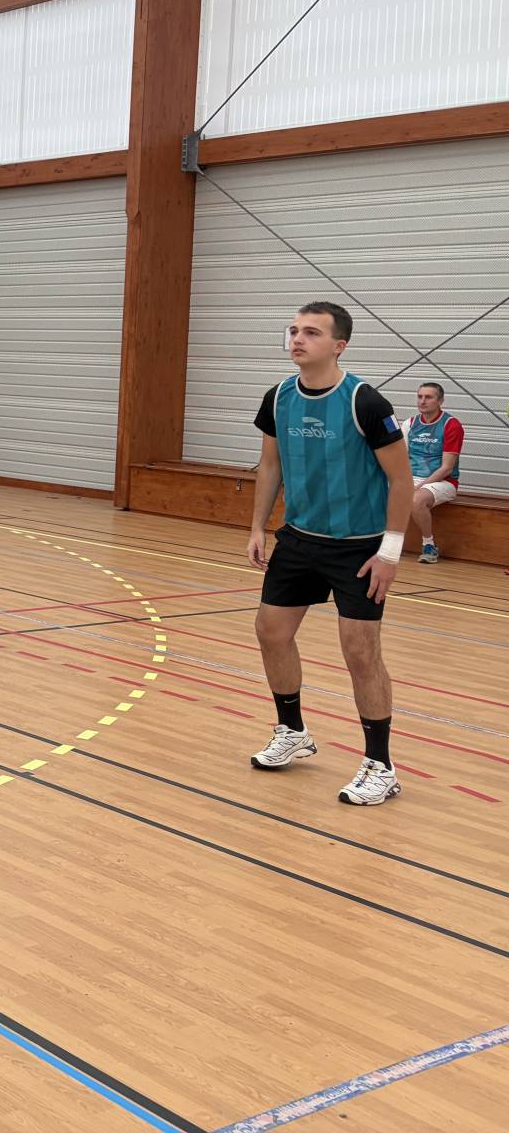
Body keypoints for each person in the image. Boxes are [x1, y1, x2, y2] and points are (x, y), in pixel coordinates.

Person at [246, 301, 412, 806]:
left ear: (339, 345)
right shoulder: (278, 398)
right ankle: (292, 731)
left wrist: (389, 553)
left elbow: (401, 480)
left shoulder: (366, 402)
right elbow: (270, 465)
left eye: (312, 332)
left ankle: (380, 765)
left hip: (358, 548)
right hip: (299, 539)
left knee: (360, 652)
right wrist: (258, 527)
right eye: (294, 330)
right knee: (271, 632)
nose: (297, 339)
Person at [400, 382, 462, 564]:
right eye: (420, 396)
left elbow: (447, 467)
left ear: (440, 401)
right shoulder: (410, 423)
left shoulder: (451, 425)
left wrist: (419, 486)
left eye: (428, 397)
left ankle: (429, 546)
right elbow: (401, 459)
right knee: (373, 491)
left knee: (416, 499)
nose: (422, 401)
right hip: (412, 478)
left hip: (443, 482)